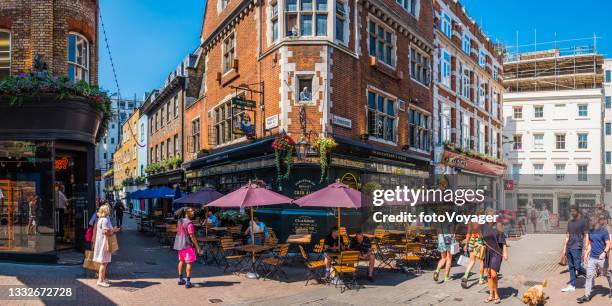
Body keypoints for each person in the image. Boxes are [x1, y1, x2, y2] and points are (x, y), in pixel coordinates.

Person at [576, 214, 611, 303]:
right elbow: (592, 243)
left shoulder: (604, 231)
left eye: (590, 222)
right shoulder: (590, 231)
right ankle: (587, 295)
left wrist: (604, 253)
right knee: (589, 276)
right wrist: (587, 252)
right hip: (592, 257)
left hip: (602, 258)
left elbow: (608, 244)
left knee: (605, 274)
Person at [482, 208, 508, 304]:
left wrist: (505, 253)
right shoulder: (484, 226)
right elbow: (483, 239)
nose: (490, 218)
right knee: (488, 275)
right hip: (487, 253)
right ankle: (491, 295)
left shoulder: (498, 225)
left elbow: (503, 241)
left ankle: (496, 295)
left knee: (493, 274)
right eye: (488, 216)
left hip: (497, 252)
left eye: (491, 216)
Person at [561, 205, 589, 293]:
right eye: (571, 211)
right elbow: (567, 235)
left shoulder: (583, 222)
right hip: (569, 246)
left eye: (574, 211)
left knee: (577, 266)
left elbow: (586, 235)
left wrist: (586, 248)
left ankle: (589, 276)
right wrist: (564, 249)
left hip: (577, 247)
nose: (572, 213)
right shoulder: (570, 222)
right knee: (571, 267)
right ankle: (572, 286)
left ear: (577, 211)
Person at [174, 207, 203, 289]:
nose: (193, 212)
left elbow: (178, 231)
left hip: (180, 244)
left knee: (181, 261)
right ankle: (188, 282)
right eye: (191, 211)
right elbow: (192, 236)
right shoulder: (189, 223)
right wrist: (198, 247)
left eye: (193, 210)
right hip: (187, 245)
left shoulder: (180, 221)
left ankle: (180, 279)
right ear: (186, 212)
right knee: (189, 263)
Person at [92, 204, 120, 287]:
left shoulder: (100, 219)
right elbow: (105, 232)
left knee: (104, 262)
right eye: (108, 209)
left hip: (101, 242)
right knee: (104, 262)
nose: (110, 210)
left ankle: (103, 278)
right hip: (104, 243)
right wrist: (113, 230)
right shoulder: (105, 220)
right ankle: (100, 280)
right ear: (106, 211)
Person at [461, 208, 486, 288]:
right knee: (482, 262)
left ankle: (465, 276)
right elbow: (483, 235)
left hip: (472, 242)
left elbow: (468, 234)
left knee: (471, 261)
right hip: (479, 243)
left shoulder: (471, 222)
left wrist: (466, 244)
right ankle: (481, 279)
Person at [434, 218, 455, 282]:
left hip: (441, 239)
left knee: (443, 258)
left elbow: (437, 232)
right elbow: (452, 233)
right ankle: (446, 277)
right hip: (448, 238)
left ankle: (437, 271)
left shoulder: (438, 222)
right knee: (449, 258)